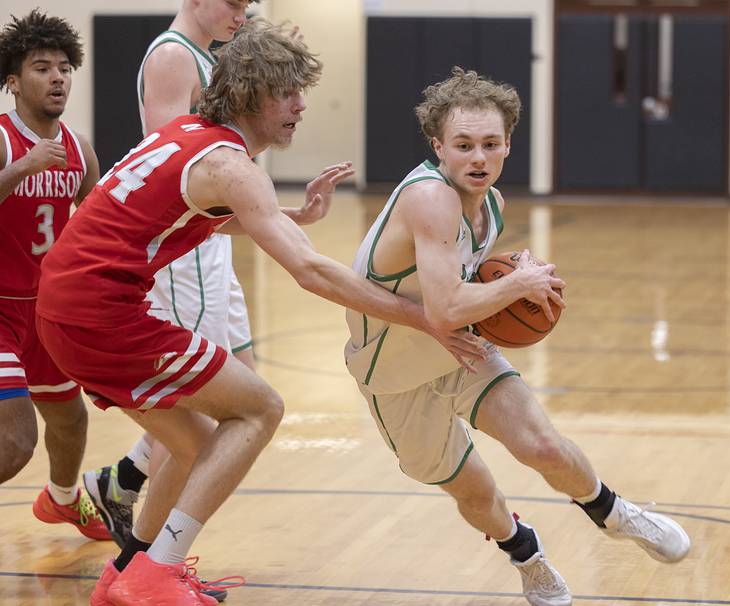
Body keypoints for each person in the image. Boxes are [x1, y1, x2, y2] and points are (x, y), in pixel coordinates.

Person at [35, 19, 479, 606]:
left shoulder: (187, 135)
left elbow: (177, 211)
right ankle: (157, 573)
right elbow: (312, 272)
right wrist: (426, 317)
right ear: (252, 93)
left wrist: (287, 215)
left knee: (194, 444)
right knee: (261, 409)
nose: (300, 106)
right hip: (100, 314)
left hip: (64, 307)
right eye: (289, 91)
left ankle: (127, 574)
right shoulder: (229, 164)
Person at [343, 67, 691, 606]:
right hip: (392, 372)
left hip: (460, 353)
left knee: (542, 445)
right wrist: (521, 283)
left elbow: (464, 291)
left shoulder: (493, 206)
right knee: (475, 491)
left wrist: (516, 281)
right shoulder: (429, 198)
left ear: (508, 144)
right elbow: (446, 305)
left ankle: (615, 512)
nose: (477, 158)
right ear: (439, 147)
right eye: (463, 145)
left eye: (490, 144)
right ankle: (526, 554)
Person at [81, 0, 329, 560]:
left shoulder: (206, 55)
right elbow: (172, 162)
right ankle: (149, 556)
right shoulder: (173, 56)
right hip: (183, 247)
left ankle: (121, 483)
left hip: (210, 240)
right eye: (234, 2)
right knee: (204, 406)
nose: (243, 10)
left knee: (240, 376)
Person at [0, 9, 109, 541]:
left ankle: (63, 500)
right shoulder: (3, 141)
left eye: (65, 67)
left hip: (43, 312)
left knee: (69, 420)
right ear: (13, 82)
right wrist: (21, 168)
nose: (58, 77)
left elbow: (99, 224)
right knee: (16, 442)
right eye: (42, 67)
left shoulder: (79, 149)